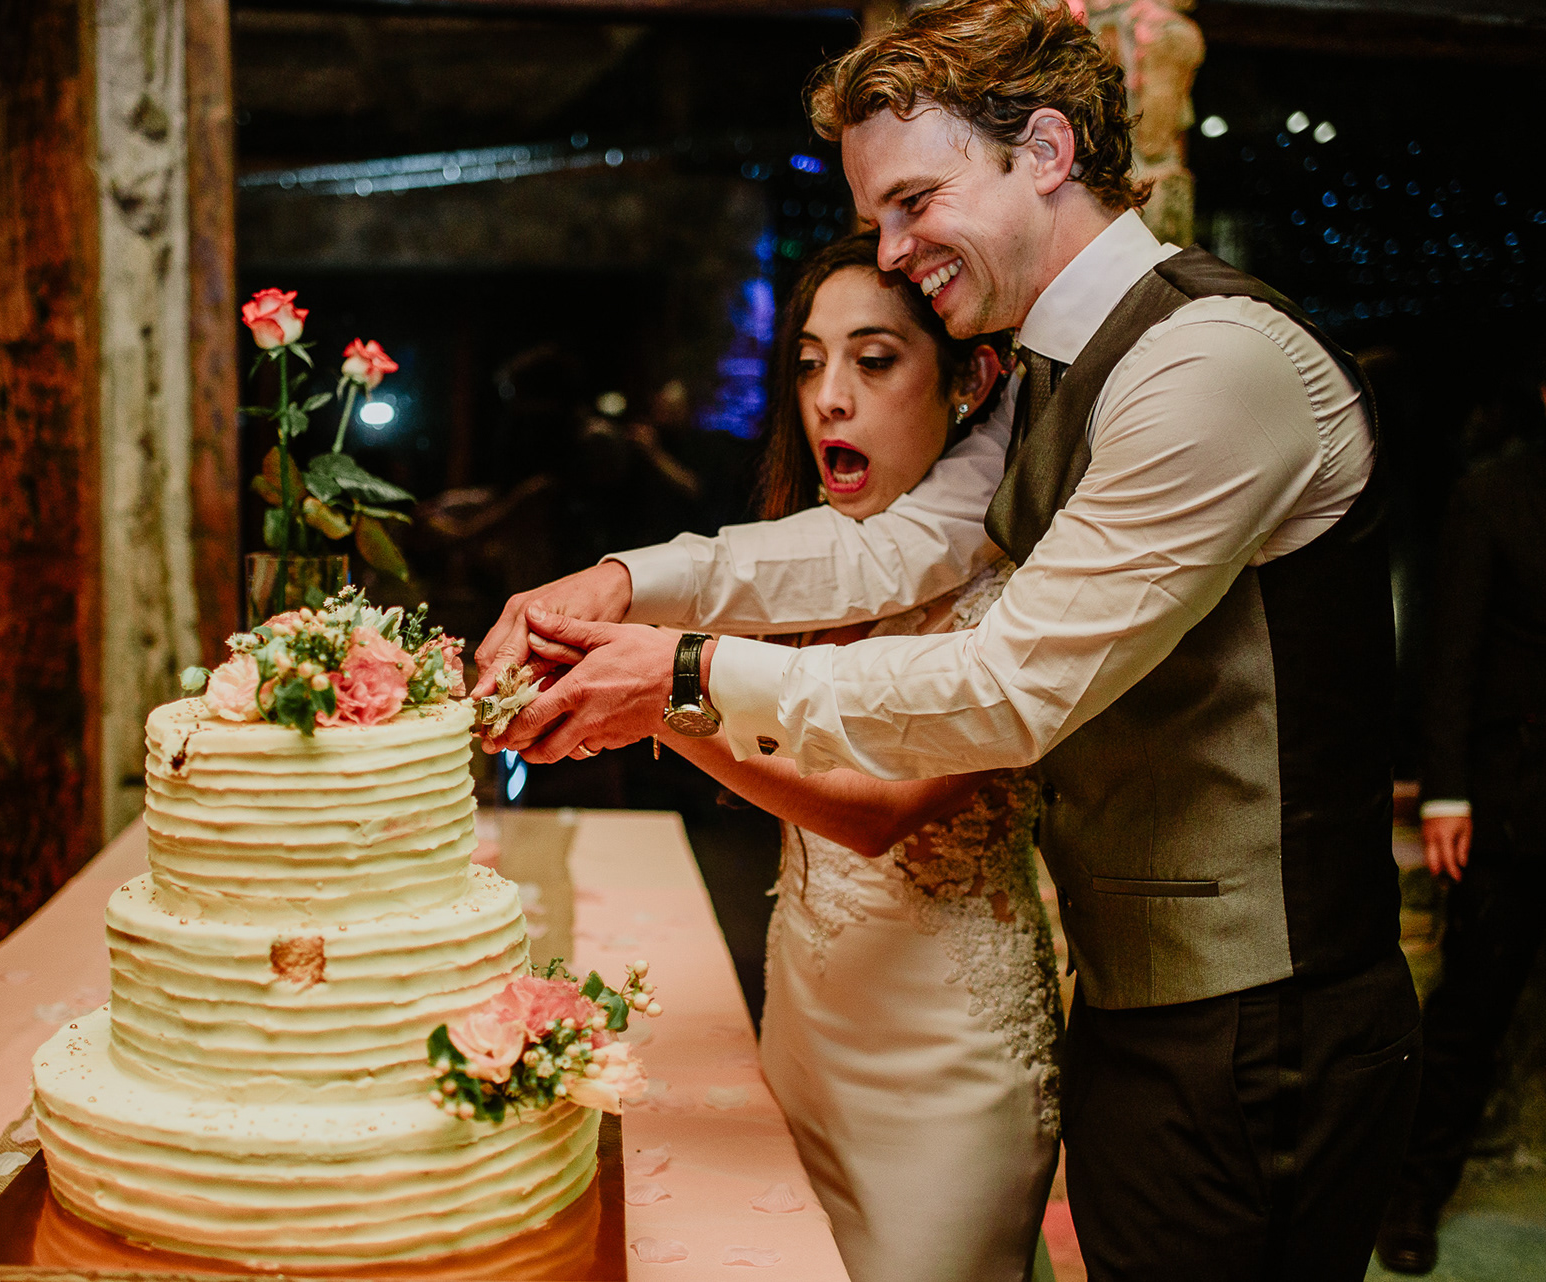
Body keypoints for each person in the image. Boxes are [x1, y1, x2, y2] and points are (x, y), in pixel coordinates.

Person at [474, 3, 1419, 1278]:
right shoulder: (1047, 374)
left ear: (1045, 152)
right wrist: (623, 582)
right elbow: (881, 550)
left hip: (1267, 1019)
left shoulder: (1211, 364)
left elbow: (1009, 685)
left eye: (915, 202)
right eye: (877, 217)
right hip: (1136, 1002)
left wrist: (686, 673)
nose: (893, 248)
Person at [654, 230, 1059, 1282]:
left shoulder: (1016, 594)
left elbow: (875, 812)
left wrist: (662, 696)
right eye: (808, 363)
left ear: (973, 381)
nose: (829, 398)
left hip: (944, 1065)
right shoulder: (811, 568)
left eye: (873, 361)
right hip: (804, 1019)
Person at [1376, 374, 1546, 1275]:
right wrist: (1446, 792)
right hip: (1512, 803)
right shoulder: (1494, 495)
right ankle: (1413, 1193)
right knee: (1469, 1018)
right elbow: (1452, 652)